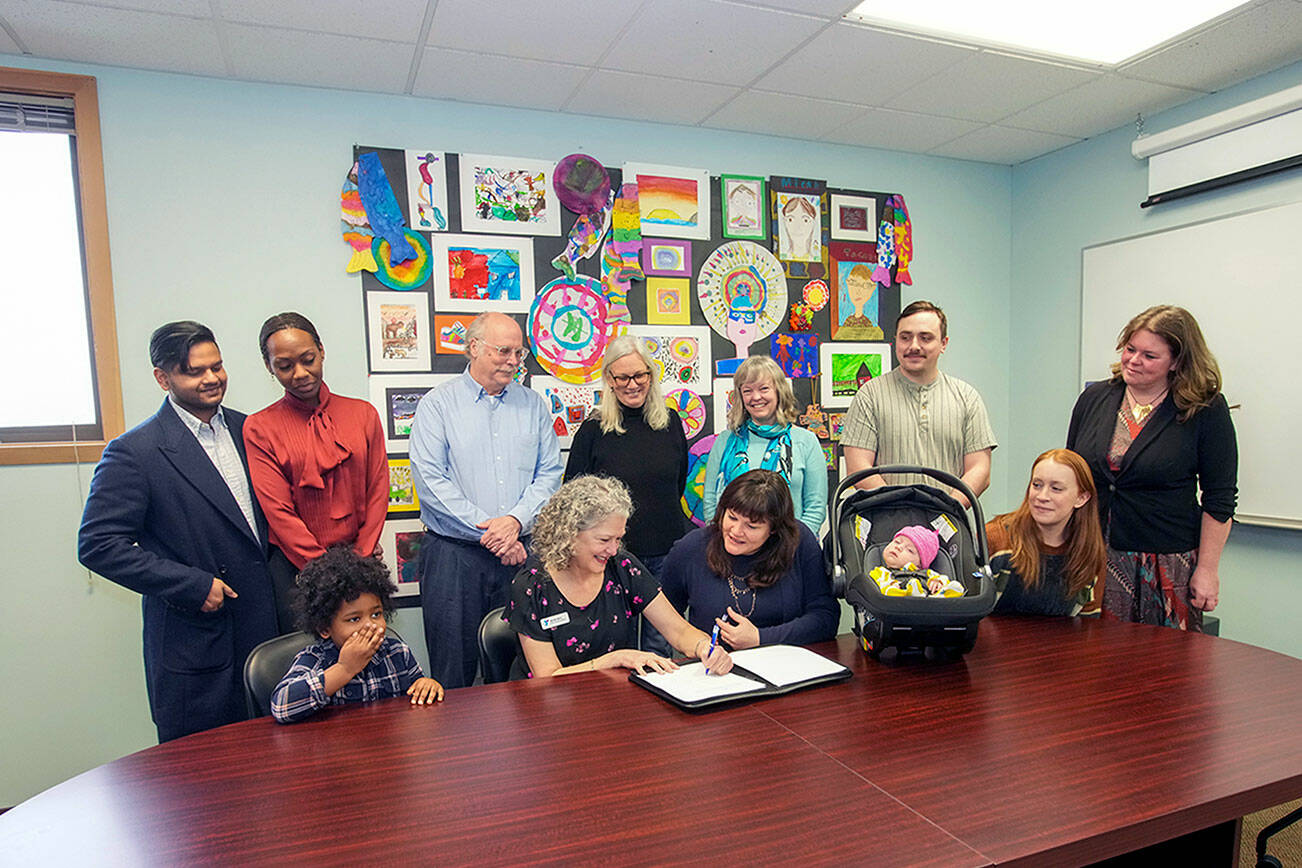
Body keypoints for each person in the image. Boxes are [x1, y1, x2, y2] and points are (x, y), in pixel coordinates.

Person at [78, 321, 277, 742]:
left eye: (217, 367)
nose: (211, 379)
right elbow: (98, 545)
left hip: (267, 633)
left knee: (278, 773)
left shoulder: (252, 430)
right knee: (201, 787)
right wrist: (189, 584)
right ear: (162, 378)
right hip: (199, 642)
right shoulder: (135, 451)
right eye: (194, 371)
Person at [409, 311, 563, 687]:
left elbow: (549, 474)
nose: (513, 361)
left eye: (519, 354)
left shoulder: (533, 406)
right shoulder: (437, 405)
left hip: (523, 553)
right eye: (504, 351)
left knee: (528, 668)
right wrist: (492, 534)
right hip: (454, 558)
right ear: (474, 348)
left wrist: (512, 525)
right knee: (453, 672)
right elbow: (431, 482)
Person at [1067, 305, 1237, 630]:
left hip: (1165, 565)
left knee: (1162, 671)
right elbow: (1072, 472)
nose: (1133, 360)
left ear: (1176, 361)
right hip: (1092, 556)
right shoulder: (1095, 398)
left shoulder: (1205, 409)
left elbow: (1220, 497)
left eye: (1149, 355)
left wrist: (1208, 570)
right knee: (1090, 666)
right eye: (1130, 349)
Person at [244, 312, 388, 633]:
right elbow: (278, 511)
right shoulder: (260, 427)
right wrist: (324, 571)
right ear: (269, 367)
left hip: (360, 561)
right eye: (284, 366)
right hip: (297, 570)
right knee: (307, 666)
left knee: (366, 659)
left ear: (321, 351)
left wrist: (359, 560)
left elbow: (378, 490)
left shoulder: (362, 414)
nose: (300, 373)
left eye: (308, 359)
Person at [506, 475, 733, 678]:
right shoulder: (531, 586)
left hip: (612, 699)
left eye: (618, 539)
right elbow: (547, 676)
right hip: (548, 707)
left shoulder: (623, 567)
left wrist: (705, 647)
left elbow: (679, 630)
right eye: (604, 540)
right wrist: (614, 660)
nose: (614, 550)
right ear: (569, 534)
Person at [842, 300, 997, 507]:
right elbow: (858, 468)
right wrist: (901, 510)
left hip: (948, 524)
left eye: (925, 338)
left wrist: (946, 512)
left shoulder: (967, 397)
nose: (914, 346)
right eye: (905, 338)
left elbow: (980, 470)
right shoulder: (869, 396)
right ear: (896, 340)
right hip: (887, 524)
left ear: (944, 343)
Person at [660, 470, 837, 649]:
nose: (736, 531)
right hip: (714, 669)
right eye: (731, 517)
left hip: (786, 666)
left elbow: (825, 618)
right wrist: (698, 647)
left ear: (774, 529)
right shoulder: (691, 548)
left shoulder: (799, 542)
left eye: (751, 526)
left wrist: (760, 638)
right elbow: (663, 618)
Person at [271, 546, 443, 723]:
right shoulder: (314, 659)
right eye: (354, 619)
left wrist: (427, 685)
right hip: (338, 747)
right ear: (324, 628)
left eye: (376, 614)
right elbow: (281, 707)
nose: (370, 625)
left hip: (387, 743)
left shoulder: (398, 653)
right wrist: (344, 669)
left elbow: (419, 689)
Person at [565, 334, 689, 578]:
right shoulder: (593, 429)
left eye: (639, 375)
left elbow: (678, 484)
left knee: (666, 618)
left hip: (667, 553)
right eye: (622, 377)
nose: (632, 384)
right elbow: (573, 498)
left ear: (650, 375)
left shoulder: (671, 421)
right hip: (611, 557)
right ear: (610, 379)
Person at [704, 355, 827, 534]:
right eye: (747, 391)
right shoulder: (725, 441)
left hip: (789, 549)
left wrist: (790, 545)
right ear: (740, 396)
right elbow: (710, 501)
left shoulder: (806, 441)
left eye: (764, 389)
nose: (756, 397)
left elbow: (816, 507)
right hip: (733, 545)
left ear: (779, 391)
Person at [985, 449, 1106, 617]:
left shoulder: (1090, 553)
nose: (1042, 496)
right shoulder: (995, 539)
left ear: (1082, 498)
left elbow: (1088, 627)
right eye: (1037, 485)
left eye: (1056, 488)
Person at [869, 525, 964, 598]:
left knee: (953, 588)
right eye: (897, 542)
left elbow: (943, 578)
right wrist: (892, 584)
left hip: (929, 604)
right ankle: (912, 594)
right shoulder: (880, 572)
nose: (898, 547)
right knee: (889, 591)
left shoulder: (927, 573)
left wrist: (938, 582)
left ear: (920, 564)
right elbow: (878, 586)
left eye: (909, 550)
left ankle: (938, 597)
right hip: (897, 604)